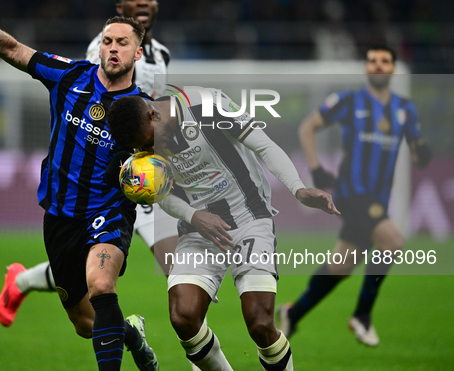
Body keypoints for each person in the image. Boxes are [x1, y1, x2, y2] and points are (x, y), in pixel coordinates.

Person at [0, 0, 159, 371]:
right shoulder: (70, 75)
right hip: (60, 216)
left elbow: (161, 164)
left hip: (107, 212)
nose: (113, 49)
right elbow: (13, 50)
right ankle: (131, 334)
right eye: (107, 41)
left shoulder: (142, 109)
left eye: (122, 43)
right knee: (84, 323)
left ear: (136, 54)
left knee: (103, 285)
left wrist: (144, 177)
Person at [106, 90, 340, 370]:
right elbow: (160, 193)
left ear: (152, 113)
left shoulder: (208, 105)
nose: (152, 149)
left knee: (260, 323)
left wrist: (297, 187)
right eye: (144, 146)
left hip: (250, 216)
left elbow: (264, 145)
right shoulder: (142, 140)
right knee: (184, 317)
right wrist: (195, 216)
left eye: (150, 140)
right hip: (197, 230)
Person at [0, 0, 180, 331]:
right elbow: (90, 107)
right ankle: (23, 282)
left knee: (178, 275)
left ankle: (22, 281)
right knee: (88, 289)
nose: (142, 2)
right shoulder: (104, 46)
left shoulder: (162, 55)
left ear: (157, 6)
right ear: (120, 9)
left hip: (141, 174)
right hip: (109, 184)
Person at [277, 45, 432, 347]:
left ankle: (294, 313)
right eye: (372, 60)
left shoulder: (404, 109)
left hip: (378, 198)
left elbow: (418, 154)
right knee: (393, 241)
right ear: (366, 67)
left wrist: (423, 154)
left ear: (392, 68)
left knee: (341, 265)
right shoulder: (349, 101)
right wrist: (316, 168)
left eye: (384, 61)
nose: (377, 65)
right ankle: (362, 315)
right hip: (352, 192)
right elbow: (308, 127)